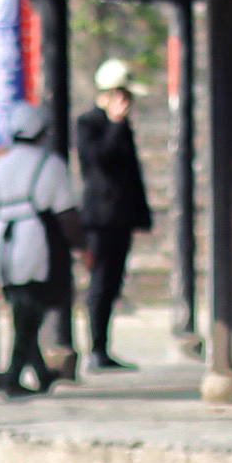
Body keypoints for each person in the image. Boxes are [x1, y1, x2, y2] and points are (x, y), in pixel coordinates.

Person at [0, 102, 79, 396]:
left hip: (1, 236)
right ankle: (14, 374)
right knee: (29, 310)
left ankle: (38, 372)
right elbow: (65, 210)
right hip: (33, 237)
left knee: (21, 307)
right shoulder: (50, 164)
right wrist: (81, 243)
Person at [73, 59, 152, 370]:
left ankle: (103, 346)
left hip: (120, 217)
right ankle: (94, 347)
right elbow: (98, 161)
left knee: (113, 282)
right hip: (100, 218)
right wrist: (116, 125)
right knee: (101, 283)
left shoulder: (120, 128)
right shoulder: (90, 123)